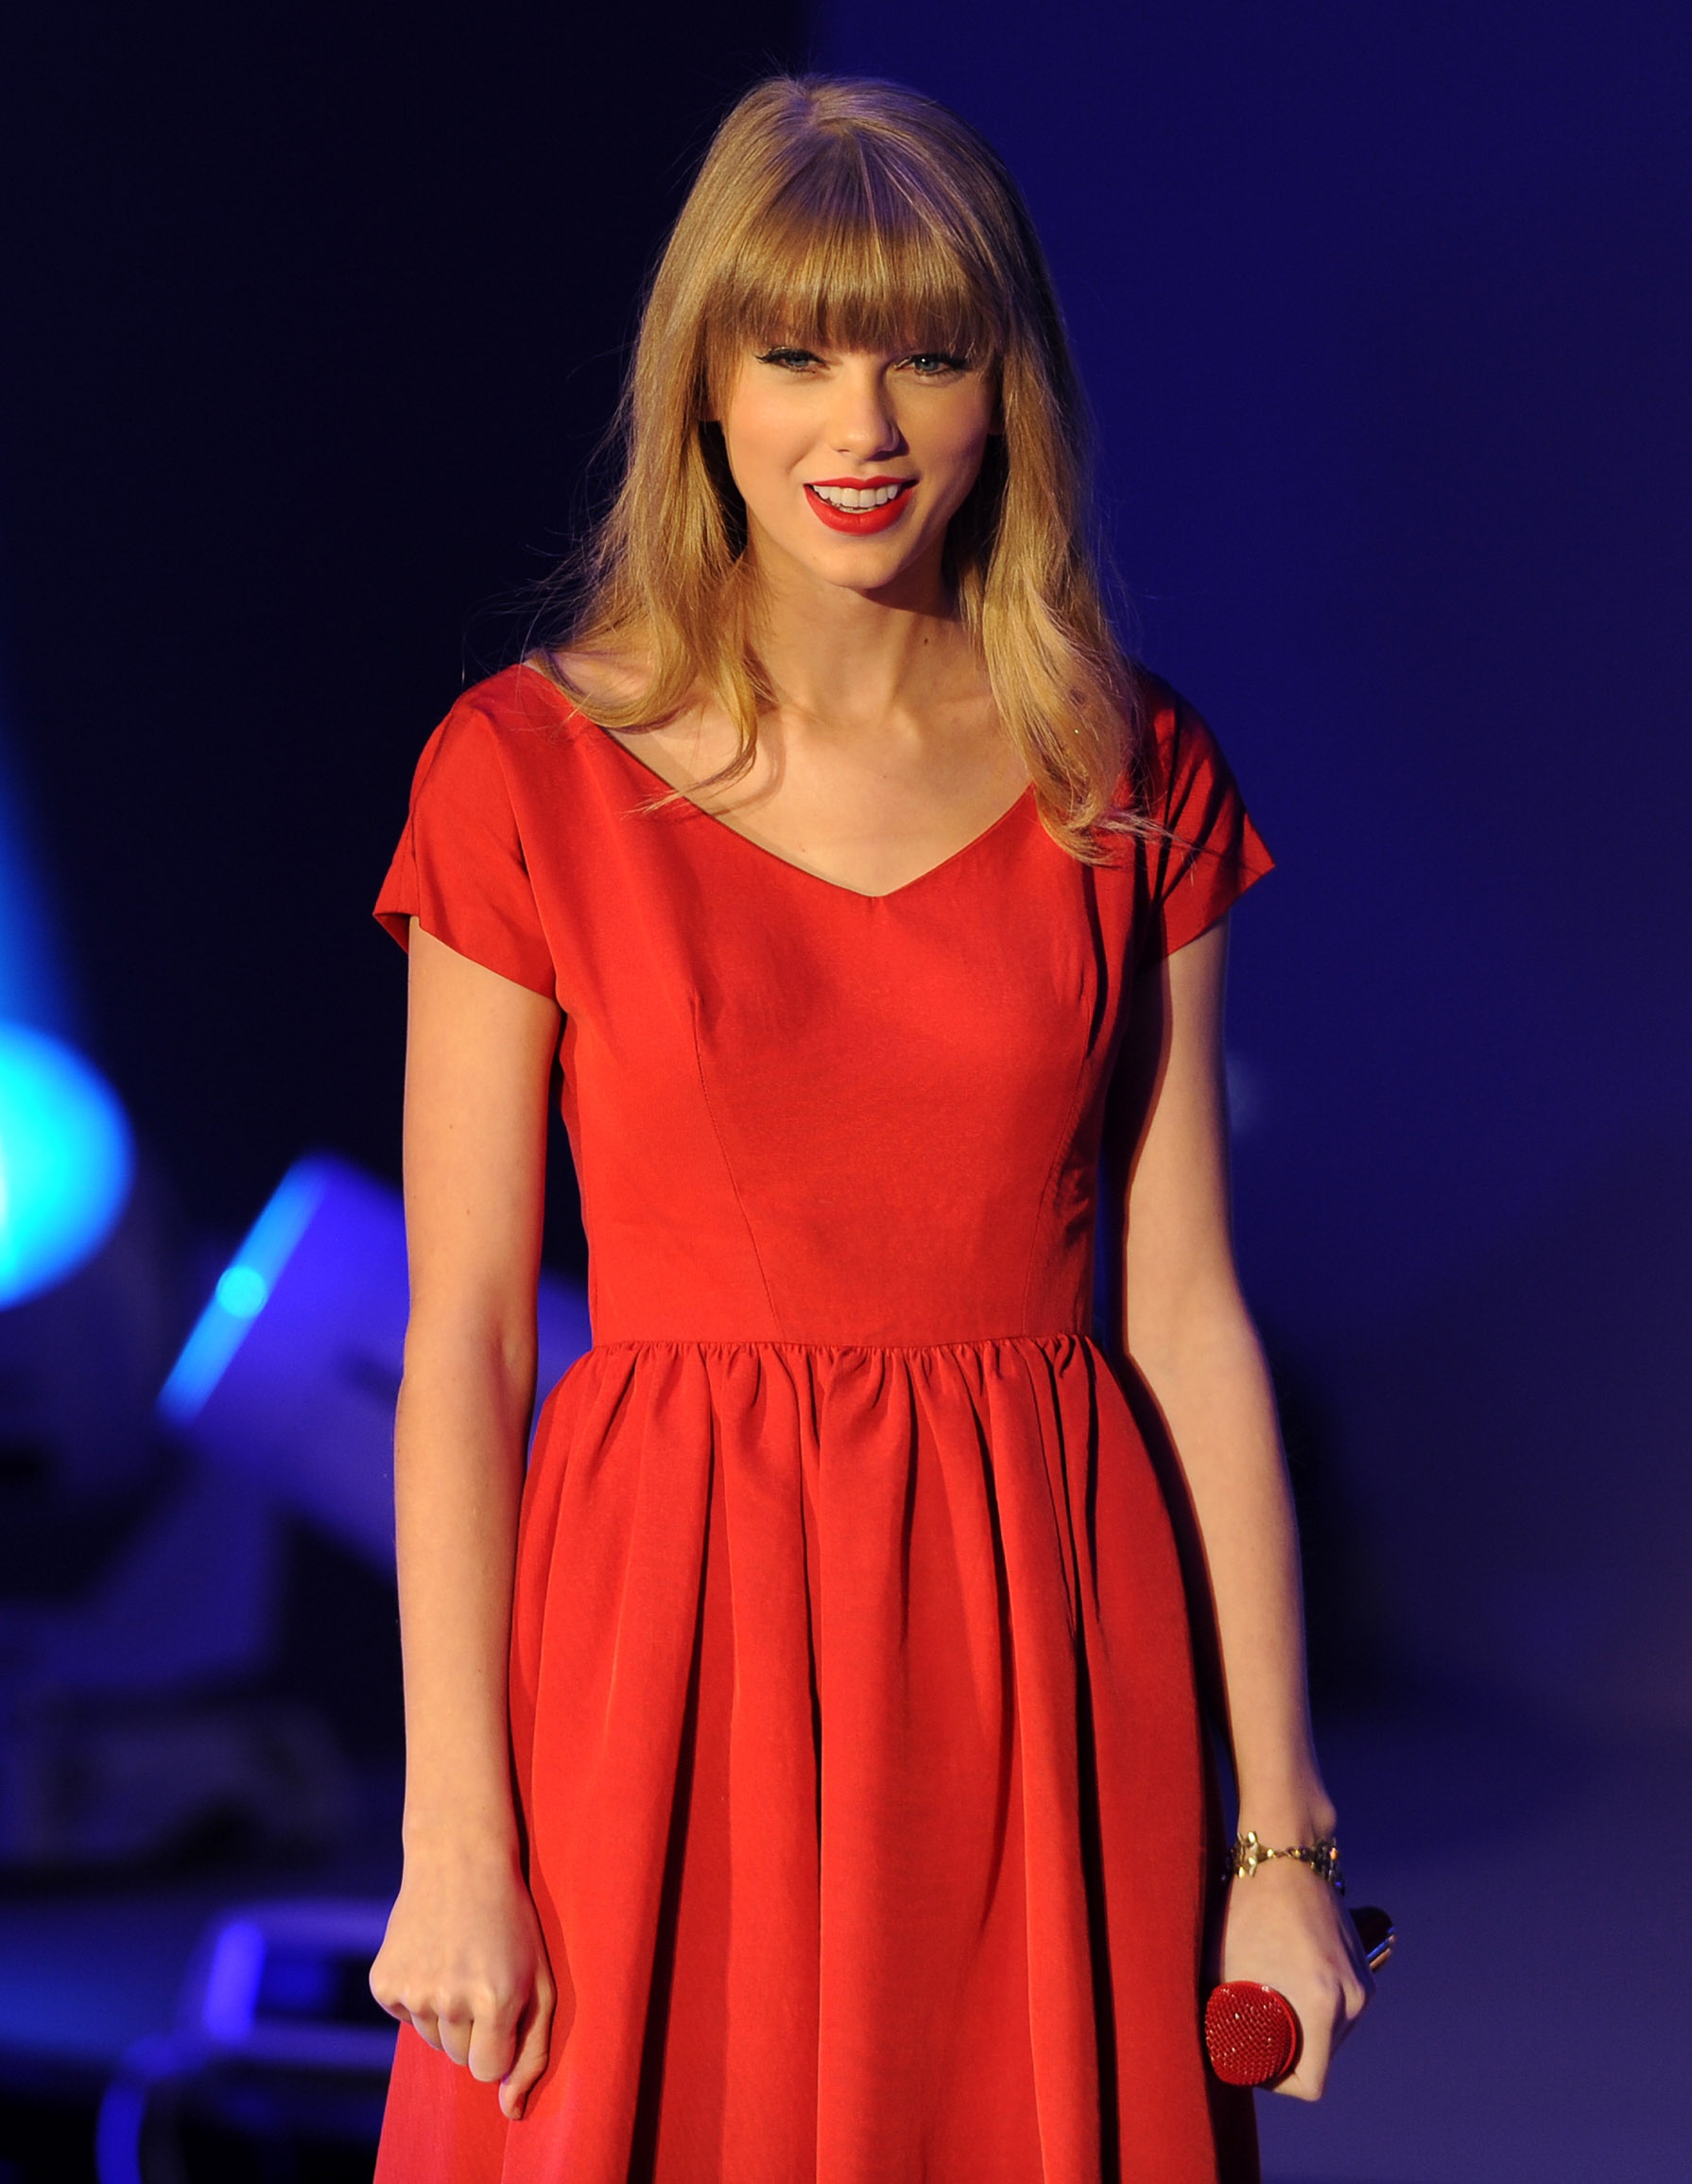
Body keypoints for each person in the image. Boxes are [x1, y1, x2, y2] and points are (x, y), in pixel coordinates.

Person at [367, 73, 1371, 2184]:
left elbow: (1188, 1316)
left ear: (1011, 390)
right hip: (659, 1657)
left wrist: (1276, 1837)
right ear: (702, 383)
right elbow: (461, 1337)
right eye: (800, 353)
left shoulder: (1127, 772)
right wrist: (455, 1832)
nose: (866, 426)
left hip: (1043, 1648)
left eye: (929, 354)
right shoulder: (523, 773)